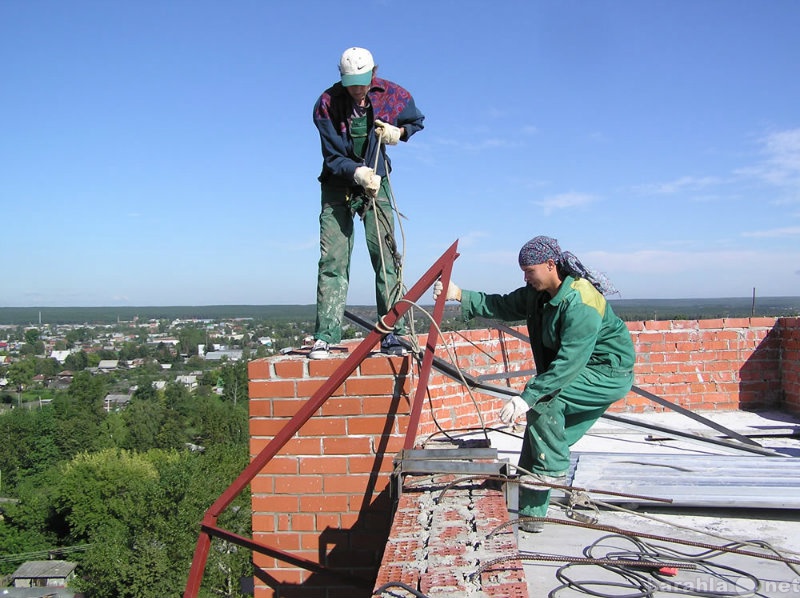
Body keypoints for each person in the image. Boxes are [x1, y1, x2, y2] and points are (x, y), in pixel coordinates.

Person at [433, 235, 635, 532]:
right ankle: (531, 518)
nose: (526, 278)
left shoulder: (581, 302)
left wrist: (526, 397)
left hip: (607, 372)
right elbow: (501, 305)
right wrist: (459, 293)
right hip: (576, 369)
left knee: (544, 404)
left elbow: (569, 363)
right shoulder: (537, 293)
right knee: (539, 435)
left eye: (530, 271)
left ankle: (550, 473)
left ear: (551, 265)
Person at [309, 47, 425, 360]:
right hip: (339, 184)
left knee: (386, 256)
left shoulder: (392, 95)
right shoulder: (326, 104)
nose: (358, 90)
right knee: (333, 260)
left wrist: (397, 132)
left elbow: (416, 120)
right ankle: (325, 336)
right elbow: (332, 156)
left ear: (373, 74)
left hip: (377, 181)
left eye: (362, 82)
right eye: (352, 84)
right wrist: (356, 171)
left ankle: (392, 333)